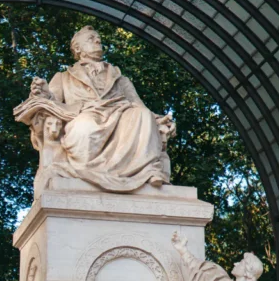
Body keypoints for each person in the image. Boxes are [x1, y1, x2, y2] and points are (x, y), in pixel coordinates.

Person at [20, 26, 175, 192]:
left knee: (142, 115)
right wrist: (42, 92)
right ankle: (90, 171)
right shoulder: (63, 77)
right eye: (91, 38)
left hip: (120, 113)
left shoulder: (120, 78)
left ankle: (147, 170)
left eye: (98, 38)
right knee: (85, 125)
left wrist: (160, 120)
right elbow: (50, 103)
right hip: (84, 114)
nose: (97, 41)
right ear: (78, 48)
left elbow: (138, 104)